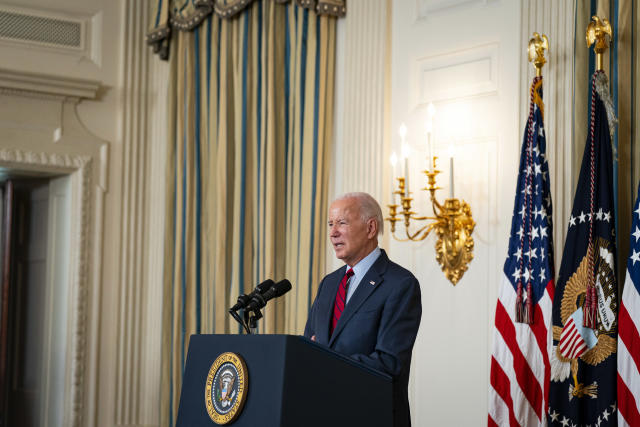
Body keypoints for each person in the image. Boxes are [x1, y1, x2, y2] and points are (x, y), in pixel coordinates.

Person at [304, 192, 422, 427]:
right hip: (323, 415)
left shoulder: (400, 284)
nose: (333, 232)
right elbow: (309, 346)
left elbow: (390, 363)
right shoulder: (328, 284)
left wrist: (325, 359)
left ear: (370, 228)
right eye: (330, 224)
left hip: (372, 415)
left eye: (342, 222)